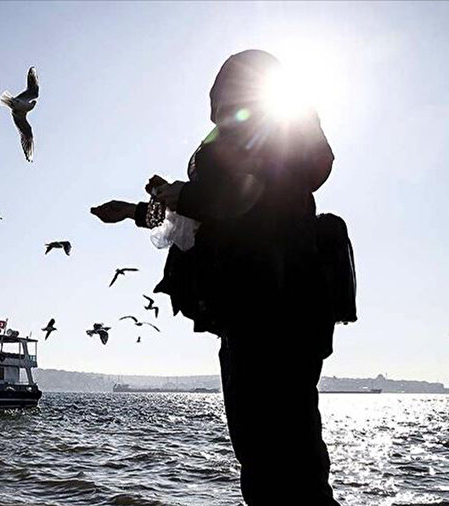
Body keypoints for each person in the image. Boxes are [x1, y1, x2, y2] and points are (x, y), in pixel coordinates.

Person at [92, 50, 342, 505]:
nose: (218, 111)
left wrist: (185, 193)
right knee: (268, 457)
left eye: (224, 98)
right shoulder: (246, 144)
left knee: (285, 459)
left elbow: (241, 199)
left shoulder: (280, 138)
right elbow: (205, 216)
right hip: (250, 317)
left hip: (272, 316)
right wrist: (134, 211)